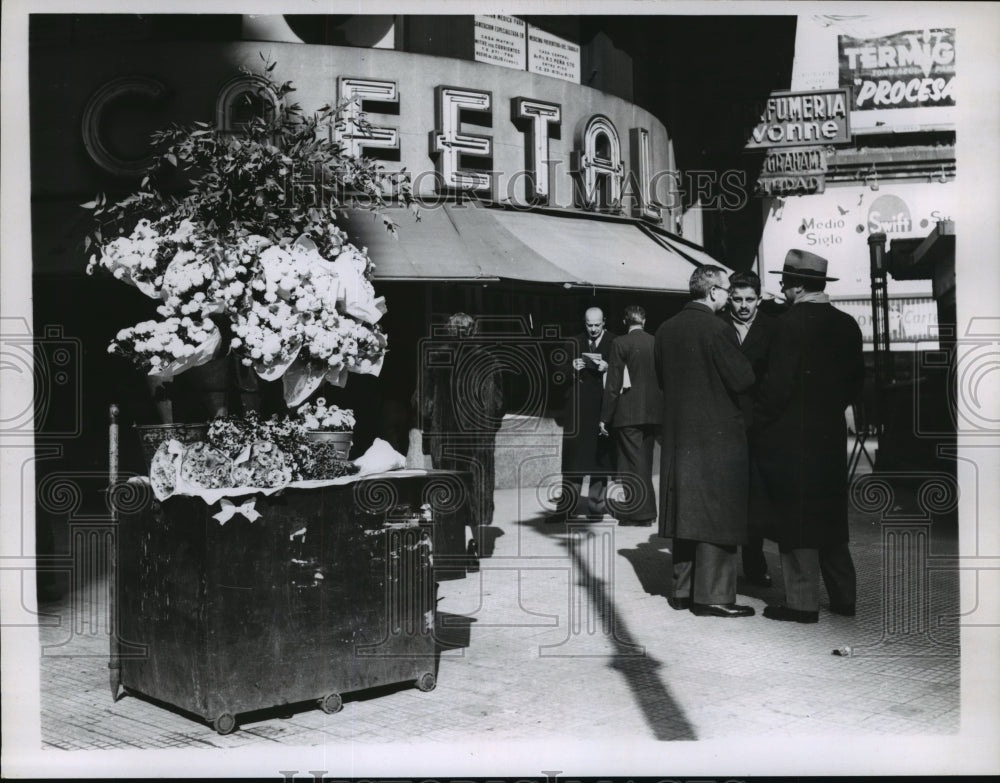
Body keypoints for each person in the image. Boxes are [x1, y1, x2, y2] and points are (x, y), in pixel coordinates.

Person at [755, 249, 865, 623]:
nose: (783, 288)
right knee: (831, 517)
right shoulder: (848, 324)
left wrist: (759, 422)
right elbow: (855, 384)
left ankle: (801, 603)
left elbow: (777, 388)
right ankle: (843, 598)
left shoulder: (786, 325)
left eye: (785, 282)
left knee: (797, 517)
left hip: (792, 437)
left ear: (797, 286)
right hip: (829, 436)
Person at [654, 266, 756, 617]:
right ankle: (714, 597)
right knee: (716, 514)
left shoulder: (666, 329)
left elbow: (661, 379)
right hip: (717, 438)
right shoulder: (718, 329)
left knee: (686, 513)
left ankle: (682, 592)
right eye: (727, 291)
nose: (729, 297)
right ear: (712, 291)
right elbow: (743, 379)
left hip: (680, 436)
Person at [418, 312, 504, 527]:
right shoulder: (486, 359)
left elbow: (422, 403)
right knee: (476, 488)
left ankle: (450, 543)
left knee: (448, 489)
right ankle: (477, 539)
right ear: (473, 332)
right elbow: (495, 403)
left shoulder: (435, 358)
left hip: (444, 436)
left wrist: (435, 415)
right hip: (477, 439)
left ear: (448, 331)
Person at [720, 271, 775, 587]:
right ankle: (722, 573)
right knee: (727, 499)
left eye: (749, 300)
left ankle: (755, 565)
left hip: (759, 427)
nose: (743, 306)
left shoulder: (773, 328)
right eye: (737, 299)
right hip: (724, 425)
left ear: (759, 298)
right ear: (729, 297)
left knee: (755, 501)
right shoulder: (717, 326)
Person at [549, 306, 617, 522]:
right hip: (577, 412)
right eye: (589, 325)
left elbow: (625, 375)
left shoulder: (614, 342)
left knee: (599, 459)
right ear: (584, 322)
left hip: (601, 410)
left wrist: (609, 368)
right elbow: (556, 376)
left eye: (597, 325)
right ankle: (565, 509)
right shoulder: (574, 343)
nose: (594, 329)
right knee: (573, 462)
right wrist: (571, 368)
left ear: (604, 322)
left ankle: (596, 509)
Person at [599, 305, 662, 526]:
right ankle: (644, 512)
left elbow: (614, 384)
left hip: (627, 413)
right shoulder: (655, 342)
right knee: (643, 460)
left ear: (626, 321)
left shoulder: (620, 343)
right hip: (653, 413)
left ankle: (641, 513)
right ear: (644, 321)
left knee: (630, 464)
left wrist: (605, 416)